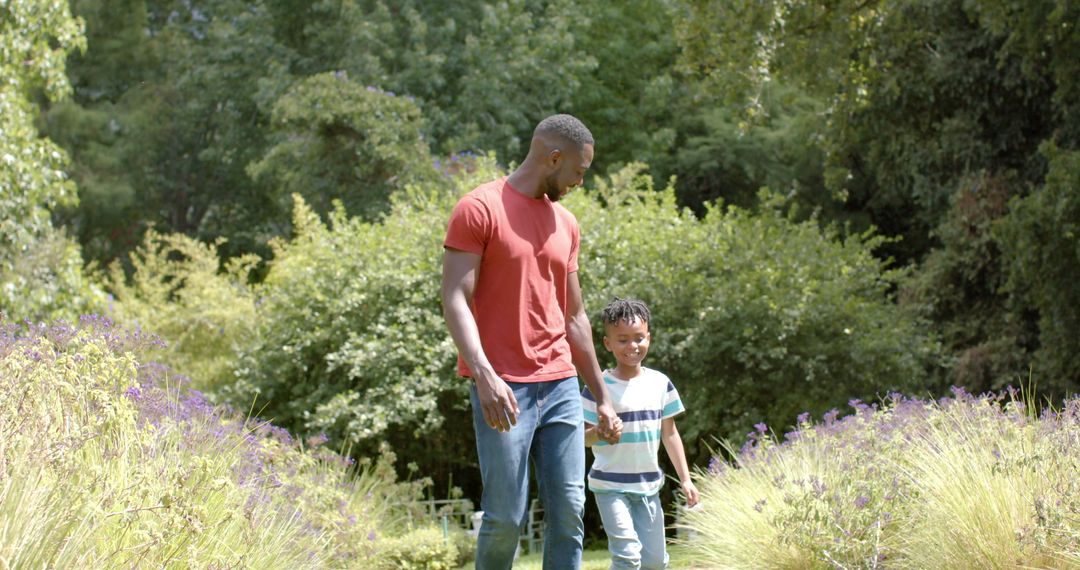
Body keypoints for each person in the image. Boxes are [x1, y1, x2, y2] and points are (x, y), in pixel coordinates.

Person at [441, 113, 621, 570]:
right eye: (579, 171)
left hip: (560, 384)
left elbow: (575, 316)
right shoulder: (480, 208)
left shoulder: (566, 223)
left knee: (569, 510)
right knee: (505, 517)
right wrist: (483, 374)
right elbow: (455, 299)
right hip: (504, 387)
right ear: (553, 157)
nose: (581, 180)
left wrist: (602, 397)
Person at [582, 297, 699, 570]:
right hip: (610, 487)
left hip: (648, 487)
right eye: (622, 340)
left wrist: (686, 479)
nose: (632, 346)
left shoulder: (660, 383)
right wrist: (600, 432)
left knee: (655, 563)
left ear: (649, 338)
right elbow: (580, 439)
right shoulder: (598, 387)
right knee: (627, 558)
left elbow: (669, 434)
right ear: (608, 344)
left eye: (639, 338)